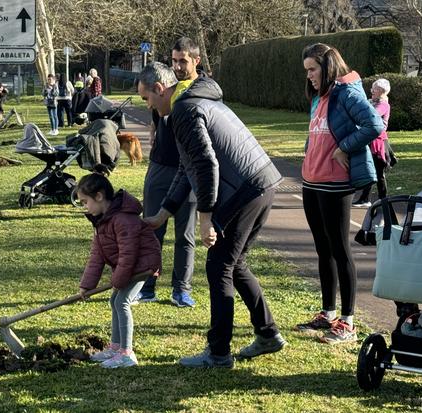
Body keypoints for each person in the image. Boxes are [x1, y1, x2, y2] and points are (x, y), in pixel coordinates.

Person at [139, 62, 286, 368]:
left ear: (159, 89)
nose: (148, 106)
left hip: (245, 190)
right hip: (262, 183)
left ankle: (218, 352)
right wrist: (163, 213)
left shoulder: (184, 111)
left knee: (219, 266)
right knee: (235, 263)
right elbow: (186, 167)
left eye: (146, 99)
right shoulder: (194, 101)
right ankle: (268, 333)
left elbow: (206, 165)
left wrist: (205, 217)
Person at [296, 43, 384, 344]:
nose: (308, 75)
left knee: (340, 249)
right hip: (311, 182)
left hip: (335, 184)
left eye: (312, 69)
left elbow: (374, 125)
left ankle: (347, 322)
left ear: (328, 67)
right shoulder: (319, 95)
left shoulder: (347, 93)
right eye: (306, 69)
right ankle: (328, 313)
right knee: (322, 249)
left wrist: (344, 148)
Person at [134, 37, 200, 308]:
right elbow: (154, 116)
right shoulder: (164, 91)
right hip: (160, 169)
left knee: (185, 234)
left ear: (196, 60)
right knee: (152, 229)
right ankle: (146, 286)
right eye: (174, 60)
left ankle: (181, 289)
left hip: (188, 172)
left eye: (182, 60)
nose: (178, 66)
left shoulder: (198, 91)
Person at [77, 169, 162, 368]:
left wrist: (118, 279)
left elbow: (128, 253)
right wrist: (86, 286)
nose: (84, 207)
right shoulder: (102, 222)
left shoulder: (123, 219)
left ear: (98, 196)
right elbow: (97, 256)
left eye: (84, 201)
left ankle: (127, 353)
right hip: (130, 266)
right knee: (115, 300)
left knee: (122, 301)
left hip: (143, 265)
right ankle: (116, 347)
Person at [353, 78, 391, 208]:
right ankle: (365, 198)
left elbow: (372, 116)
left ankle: (383, 199)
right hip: (368, 140)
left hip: (377, 142)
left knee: (379, 172)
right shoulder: (371, 102)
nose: (371, 91)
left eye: (374, 89)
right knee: (369, 168)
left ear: (381, 91)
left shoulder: (384, 104)